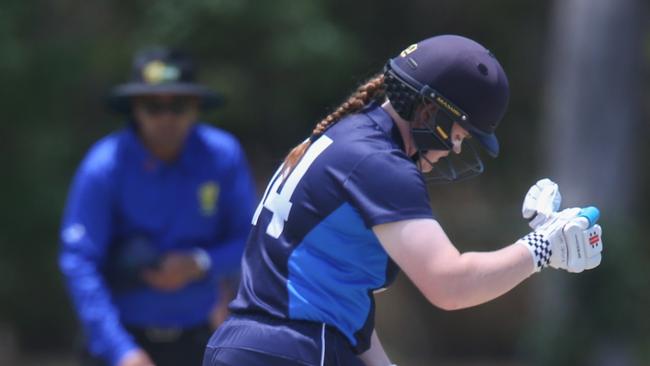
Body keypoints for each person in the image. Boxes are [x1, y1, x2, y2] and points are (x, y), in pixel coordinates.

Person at [201, 35, 604, 366]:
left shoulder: (344, 140)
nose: (457, 150)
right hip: (294, 352)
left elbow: (340, 304)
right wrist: (541, 248)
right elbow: (450, 285)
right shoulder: (379, 163)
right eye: (460, 135)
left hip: (247, 347)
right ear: (430, 112)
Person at [59, 48, 256, 366]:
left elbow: (249, 240)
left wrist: (200, 263)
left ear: (195, 107)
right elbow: (80, 261)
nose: (166, 118)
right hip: (120, 341)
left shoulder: (222, 156)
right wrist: (120, 350)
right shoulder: (104, 166)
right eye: (153, 106)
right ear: (135, 109)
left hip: (196, 340)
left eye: (178, 106)